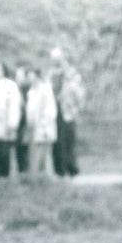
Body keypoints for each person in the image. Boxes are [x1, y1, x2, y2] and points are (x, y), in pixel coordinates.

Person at [49, 47, 84, 177]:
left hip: (68, 111)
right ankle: (59, 170)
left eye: (59, 59)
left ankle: (72, 168)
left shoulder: (72, 74)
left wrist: (76, 108)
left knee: (69, 140)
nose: (56, 62)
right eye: (54, 59)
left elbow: (79, 93)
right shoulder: (50, 74)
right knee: (56, 142)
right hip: (54, 110)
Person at [26, 68, 57, 176]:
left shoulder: (45, 90)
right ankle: (37, 177)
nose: (30, 79)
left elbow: (48, 110)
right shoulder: (31, 91)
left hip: (44, 127)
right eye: (29, 77)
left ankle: (47, 177)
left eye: (32, 76)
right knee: (35, 155)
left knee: (44, 154)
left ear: (37, 77)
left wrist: (45, 127)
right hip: (34, 127)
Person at [13, 65, 31, 174]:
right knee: (19, 150)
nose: (17, 78)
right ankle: (22, 173)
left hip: (26, 125)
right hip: (18, 124)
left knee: (26, 150)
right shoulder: (14, 89)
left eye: (20, 76)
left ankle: (27, 173)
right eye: (16, 76)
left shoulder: (28, 91)